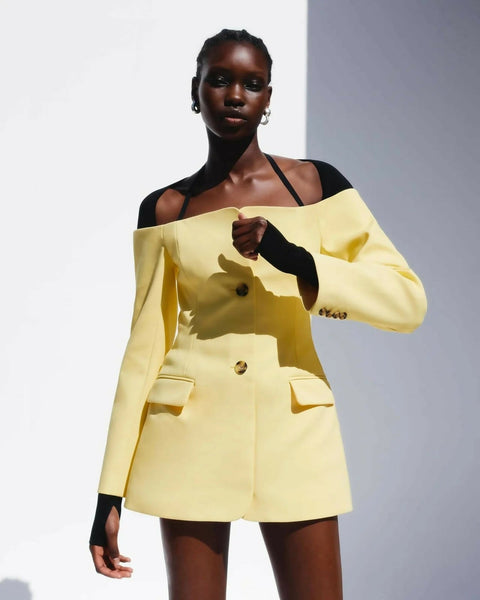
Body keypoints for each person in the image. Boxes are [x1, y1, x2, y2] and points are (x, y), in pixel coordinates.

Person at [89, 28, 427, 600]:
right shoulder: (166, 209)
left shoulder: (314, 187)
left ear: (268, 98)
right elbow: (144, 348)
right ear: (195, 92)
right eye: (219, 80)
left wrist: (297, 261)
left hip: (295, 430)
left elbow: (406, 300)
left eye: (252, 84)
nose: (235, 95)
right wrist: (109, 492)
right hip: (187, 437)